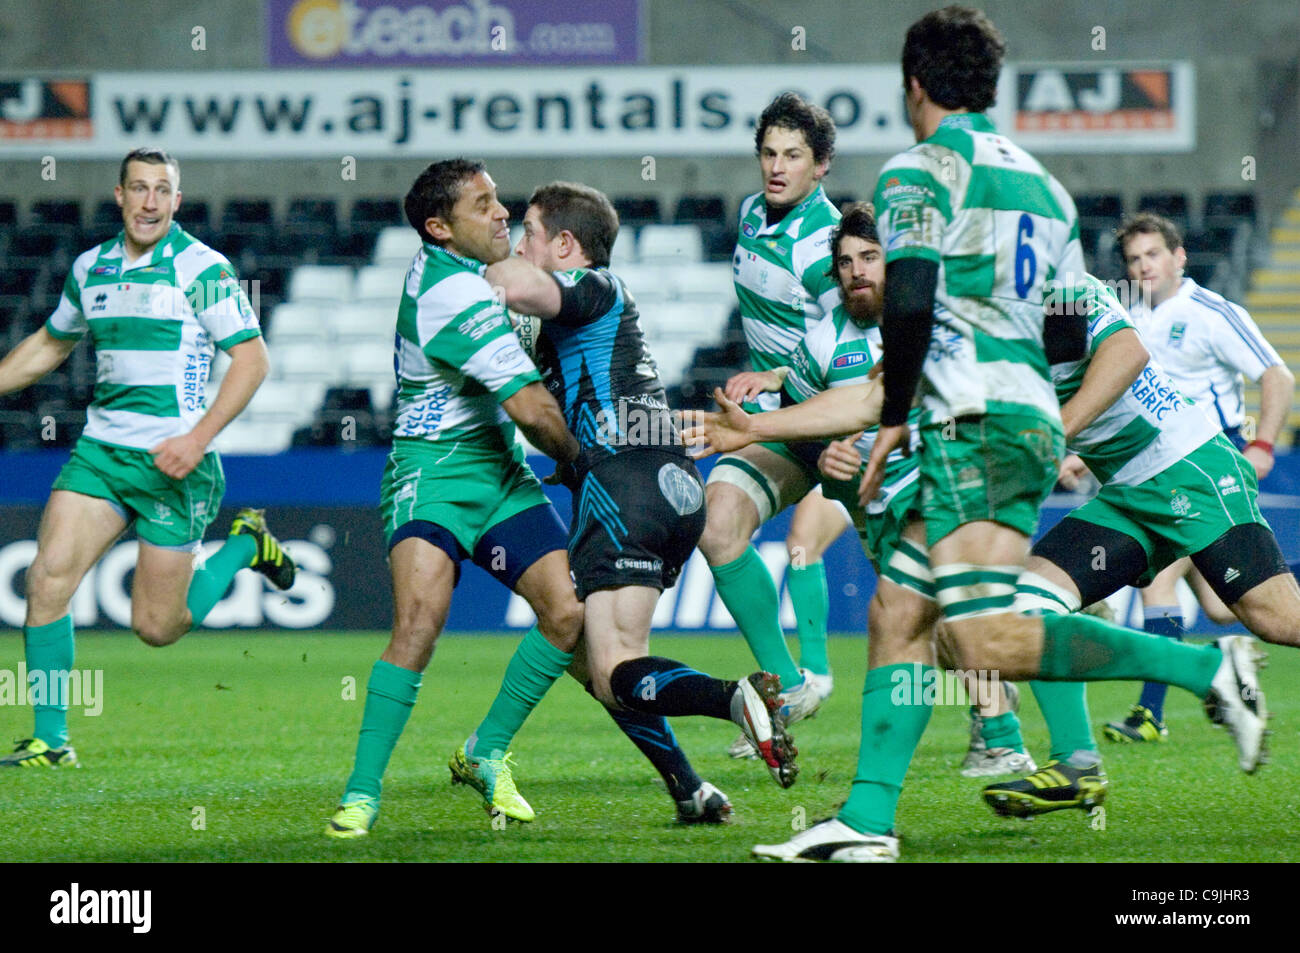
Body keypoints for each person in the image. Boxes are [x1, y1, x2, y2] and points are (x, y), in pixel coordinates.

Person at [684, 6, 1266, 863]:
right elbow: (1065, 330)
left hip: (976, 429)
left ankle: (1209, 672)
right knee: (899, 612)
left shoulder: (917, 174)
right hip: (1011, 418)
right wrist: (764, 426)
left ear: (913, 85)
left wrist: (895, 421)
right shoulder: (1045, 189)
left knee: (981, 637)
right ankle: (868, 823)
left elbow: (909, 303)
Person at [484, 181, 798, 812]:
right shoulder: (579, 326)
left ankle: (732, 699)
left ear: (566, 245)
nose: (520, 245)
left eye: (530, 235)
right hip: (673, 490)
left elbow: (520, 286)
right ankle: (688, 787)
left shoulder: (595, 287)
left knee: (615, 673)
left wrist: (470, 258)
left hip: (623, 488)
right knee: (601, 653)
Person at [0, 147, 295, 768]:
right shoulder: (90, 267)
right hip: (102, 454)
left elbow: (253, 359)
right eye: (139, 188)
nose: (150, 201)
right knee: (47, 580)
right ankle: (51, 740)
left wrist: (197, 439)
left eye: (162, 190)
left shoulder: (201, 267)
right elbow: (51, 343)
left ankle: (247, 544)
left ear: (176, 201)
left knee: (158, 628)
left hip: (175, 464)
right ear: (120, 195)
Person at [726, 201, 1033, 779]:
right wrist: (825, 456)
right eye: (844, 262)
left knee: (939, 616)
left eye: (869, 257)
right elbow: (801, 405)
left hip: (946, 489)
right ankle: (998, 715)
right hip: (877, 509)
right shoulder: (824, 339)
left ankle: (1004, 736)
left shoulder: (932, 320)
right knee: (929, 631)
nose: (856, 272)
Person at [326, 159, 587, 837]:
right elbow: (533, 408)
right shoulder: (453, 294)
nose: (502, 212)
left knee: (567, 612)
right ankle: (360, 794)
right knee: (417, 626)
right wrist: (581, 462)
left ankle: (485, 751)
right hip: (433, 470)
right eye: (484, 205)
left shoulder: (459, 273)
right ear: (440, 228)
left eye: (498, 198)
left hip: (496, 469)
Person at [1100, 212, 1295, 744]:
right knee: (1222, 605)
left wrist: (1260, 446)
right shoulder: (1131, 319)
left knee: (1157, 576)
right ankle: (1215, 658)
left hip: (1210, 469)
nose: (1144, 267)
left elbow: (1277, 374)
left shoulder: (1211, 311)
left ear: (1179, 255)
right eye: (1134, 260)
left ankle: (1150, 714)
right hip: (1160, 472)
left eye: (1153, 255)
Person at [700, 92, 852, 758]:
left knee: (922, 575)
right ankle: (787, 687)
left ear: (822, 166)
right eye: (768, 152)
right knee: (718, 521)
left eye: (793, 155)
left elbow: (849, 332)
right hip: (783, 418)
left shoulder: (826, 245)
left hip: (841, 415)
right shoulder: (750, 215)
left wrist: (781, 373)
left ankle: (996, 726)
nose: (776, 166)